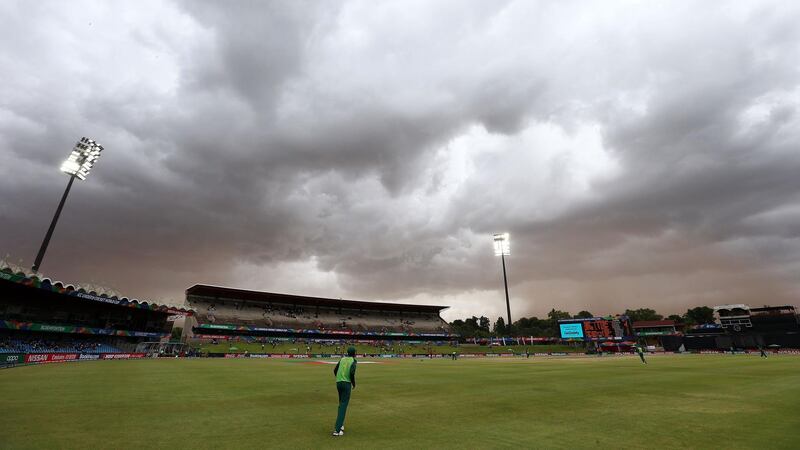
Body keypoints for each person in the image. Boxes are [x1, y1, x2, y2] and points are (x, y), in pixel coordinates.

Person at [332, 346, 357, 436]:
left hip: (338, 383)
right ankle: (337, 430)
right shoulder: (353, 361)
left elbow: (335, 370)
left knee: (341, 404)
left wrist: (339, 378)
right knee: (343, 406)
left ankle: (341, 424)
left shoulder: (342, 359)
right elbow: (352, 373)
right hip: (346, 384)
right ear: (354, 353)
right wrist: (353, 383)